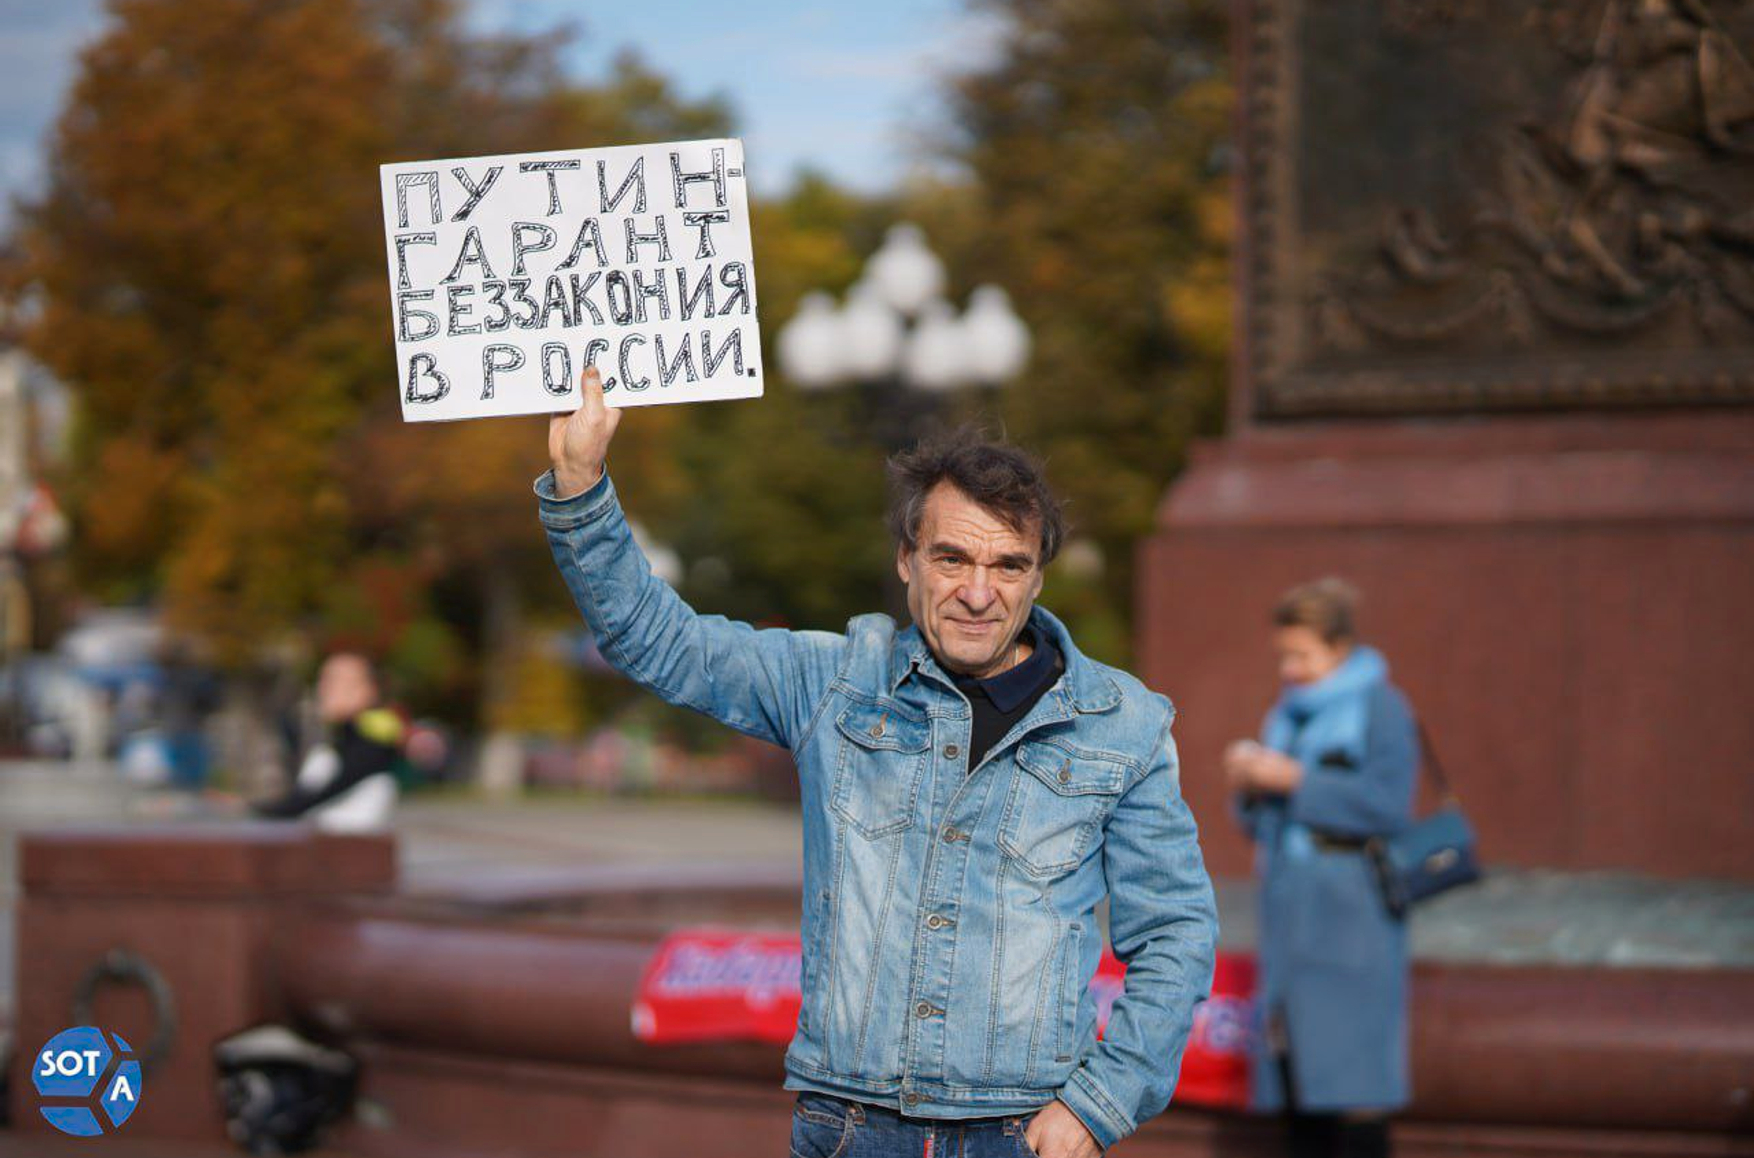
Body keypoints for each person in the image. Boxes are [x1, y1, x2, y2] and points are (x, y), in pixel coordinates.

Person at [537, 366, 1218, 1158]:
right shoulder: (834, 682)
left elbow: (1175, 931)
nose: (979, 593)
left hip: (1022, 1134)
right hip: (849, 1128)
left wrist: (1100, 1105)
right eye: (952, 558)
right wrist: (581, 486)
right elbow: (660, 642)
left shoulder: (1123, 725)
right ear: (906, 560)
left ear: (1038, 576)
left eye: (1008, 566)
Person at [1223, 578, 1419, 1158]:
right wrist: (1250, 785)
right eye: (1284, 655)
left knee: (1354, 1082)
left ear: (1339, 647)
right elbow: (1262, 823)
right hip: (1291, 912)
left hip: (1352, 916)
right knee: (1296, 1076)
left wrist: (1294, 779)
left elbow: (1389, 804)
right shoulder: (1287, 713)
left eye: (1302, 654)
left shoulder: (1380, 705)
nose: (1291, 669)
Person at [249, 651, 404, 833]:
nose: (323, 689)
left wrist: (271, 810)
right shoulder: (336, 741)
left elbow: (325, 791)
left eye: (336, 681)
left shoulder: (375, 735)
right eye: (322, 680)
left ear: (369, 690)